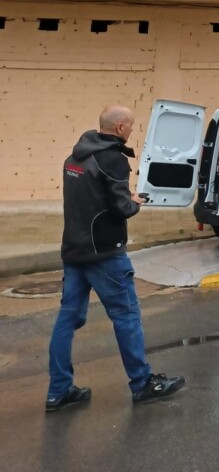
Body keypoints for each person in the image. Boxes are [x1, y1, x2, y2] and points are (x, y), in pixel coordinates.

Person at [46, 105, 185, 411]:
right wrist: (135, 201)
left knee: (66, 320)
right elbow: (122, 207)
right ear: (121, 126)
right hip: (105, 254)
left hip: (74, 251)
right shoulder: (113, 159)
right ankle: (142, 383)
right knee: (127, 316)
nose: (133, 129)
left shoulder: (75, 157)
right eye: (132, 125)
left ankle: (58, 391)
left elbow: (91, 199)